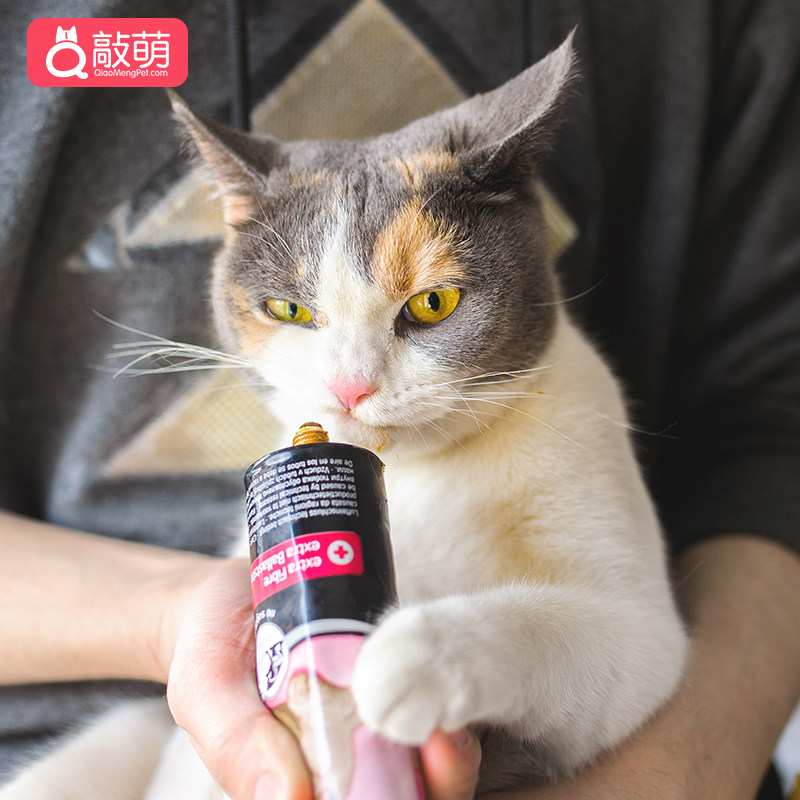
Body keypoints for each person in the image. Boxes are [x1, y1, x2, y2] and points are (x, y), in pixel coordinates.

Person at [1, 1, 799, 798]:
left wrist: (484, 658)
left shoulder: (565, 412)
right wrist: (173, 619)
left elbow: (636, 650)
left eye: (430, 306)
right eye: (291, 313)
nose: (350, 385)